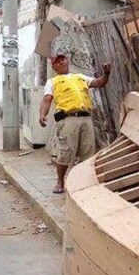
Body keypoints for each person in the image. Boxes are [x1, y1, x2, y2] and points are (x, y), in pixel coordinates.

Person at [39, 53, 111, 194]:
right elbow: (47, 100)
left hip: (85, 119)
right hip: (67, 120)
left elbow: (99, 83)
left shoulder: (80, 77)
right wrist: (42, 115)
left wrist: (106, 73)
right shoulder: (52, 82)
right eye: (58, 62)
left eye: (64, 59)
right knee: (66, 152)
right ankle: (60, 182)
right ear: (54, 66)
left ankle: (85, 183)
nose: (62, 62)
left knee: (88, 152)